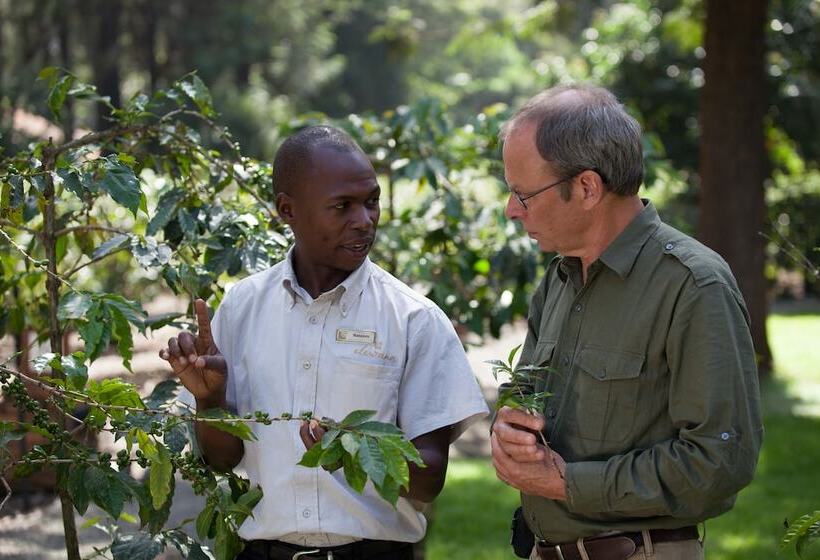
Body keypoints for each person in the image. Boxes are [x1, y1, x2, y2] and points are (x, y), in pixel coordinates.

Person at [160, 125, 489, 560]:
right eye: (343, 206)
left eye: (371, 201)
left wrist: (354, 449)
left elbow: (430, 479)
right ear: (287, 210)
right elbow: (222, 460)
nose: (365, 220)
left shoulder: (414, 320)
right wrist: (211, 402)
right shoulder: (241, 308)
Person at [490, 85, 763, 560]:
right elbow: (527, 399)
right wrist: (510, 430)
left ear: (588, 187)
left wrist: (567, 483)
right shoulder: (558, 277)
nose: (511, 210)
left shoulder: (693, 286)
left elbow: (720, 462)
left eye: (522, 194)